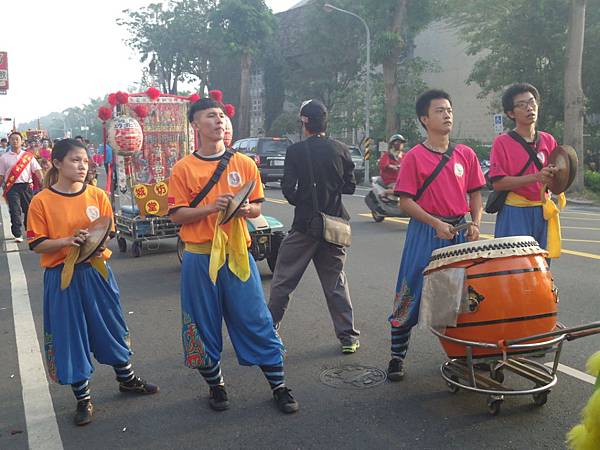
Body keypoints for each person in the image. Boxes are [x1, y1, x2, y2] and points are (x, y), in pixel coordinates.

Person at [168, 97, 299, 414]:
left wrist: (245, 209)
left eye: (223, 116)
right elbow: (177, 215)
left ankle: (279, 386)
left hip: (237, 255)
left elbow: (257, 206)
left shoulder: (244, 163)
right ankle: (217, 386)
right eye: (211, 116)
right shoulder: (183, 169)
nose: (220, 121)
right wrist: (209, 209)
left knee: (255, 318)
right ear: (195, 124)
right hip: (200, 258)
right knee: (202, 324)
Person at [26, 139, 158, 426]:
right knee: (69, 334)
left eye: (85, 161)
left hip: (97, 272)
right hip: (63, 276)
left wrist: (97, 244)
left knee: (111, 326)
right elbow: (36, 243)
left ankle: (127, 379)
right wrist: (66, 241)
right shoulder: (41, 201)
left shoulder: (97, 195)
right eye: (74, 160)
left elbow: (107, 230)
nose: (81, 166)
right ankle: (83, 398)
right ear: (57, 163)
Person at [386, 90, 485, 381]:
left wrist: (476, 222)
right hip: (426, 233)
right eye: (440, 110)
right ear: (425, 119)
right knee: (411, 288)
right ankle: (396, 356)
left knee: (459, 296)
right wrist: (434, 223)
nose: (447, 114)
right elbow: (405, 202)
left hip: (457, 233)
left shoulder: (465, 154)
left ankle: (463, 354)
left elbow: (475, 193)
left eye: (449, 110)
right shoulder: (415, 157)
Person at [268, 99, 360, 354]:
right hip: (335, 226)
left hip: (305, 226)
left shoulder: (296, 151)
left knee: (283, 280)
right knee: (336, 283)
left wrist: (305, 201)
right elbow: (350, 186)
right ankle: (348, 338)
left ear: (304, 122)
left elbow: (288, 189)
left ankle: (269, 332)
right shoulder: (341, 149)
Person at [488, 83, 560, 257]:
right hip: (515, 212)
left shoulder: (548, 140)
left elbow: (557, 178)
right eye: (522, 105)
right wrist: (536, 177)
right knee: (514, 267)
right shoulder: (502, 142)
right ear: (510, 113)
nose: (529, 108)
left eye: (532, 102)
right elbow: (498, 183)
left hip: (542, 211)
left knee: (541, 267)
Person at [0, 131, 43, 243]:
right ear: (9, 141)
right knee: (15, 210)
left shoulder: (28, 156)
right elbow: (1, 174)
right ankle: (17, 233)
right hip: (11, 187)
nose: (15, 141)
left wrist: (42, 181)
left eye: (17, 139)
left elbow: (37, 170)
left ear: (21, 141)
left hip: (26, 187)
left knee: (28, 210)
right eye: (12, 139)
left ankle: (29, 232)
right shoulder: (4, 158)